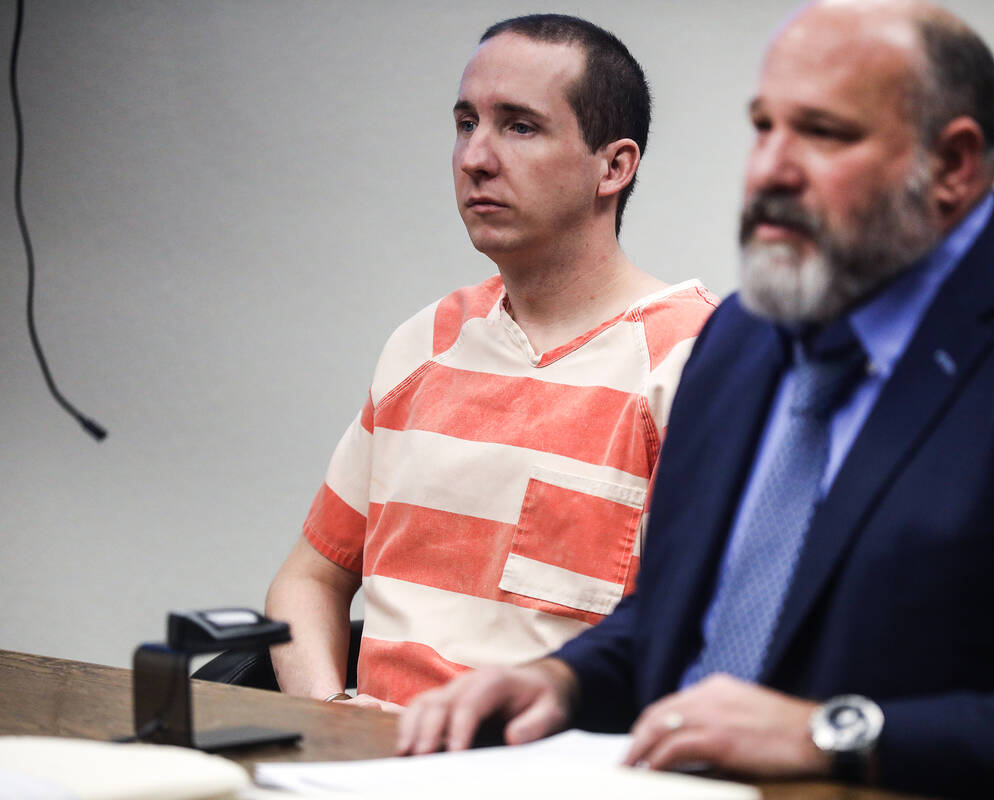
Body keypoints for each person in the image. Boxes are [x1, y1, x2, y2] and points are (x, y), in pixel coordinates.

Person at [394, 1, 994, 796]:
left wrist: (836, 734)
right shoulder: (742, 335)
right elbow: (678, 619)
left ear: (952, 165)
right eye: (763, 125)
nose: (770, 168)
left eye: (823, 133)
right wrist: (560, 683)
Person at [265, 14, 716, 712]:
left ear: (614, 166)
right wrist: (327, 715)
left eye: (519, 126)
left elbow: (702, 641)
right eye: (465, 122)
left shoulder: (694, 361)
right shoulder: (426, 341)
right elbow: (308, 581)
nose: (475, 155)